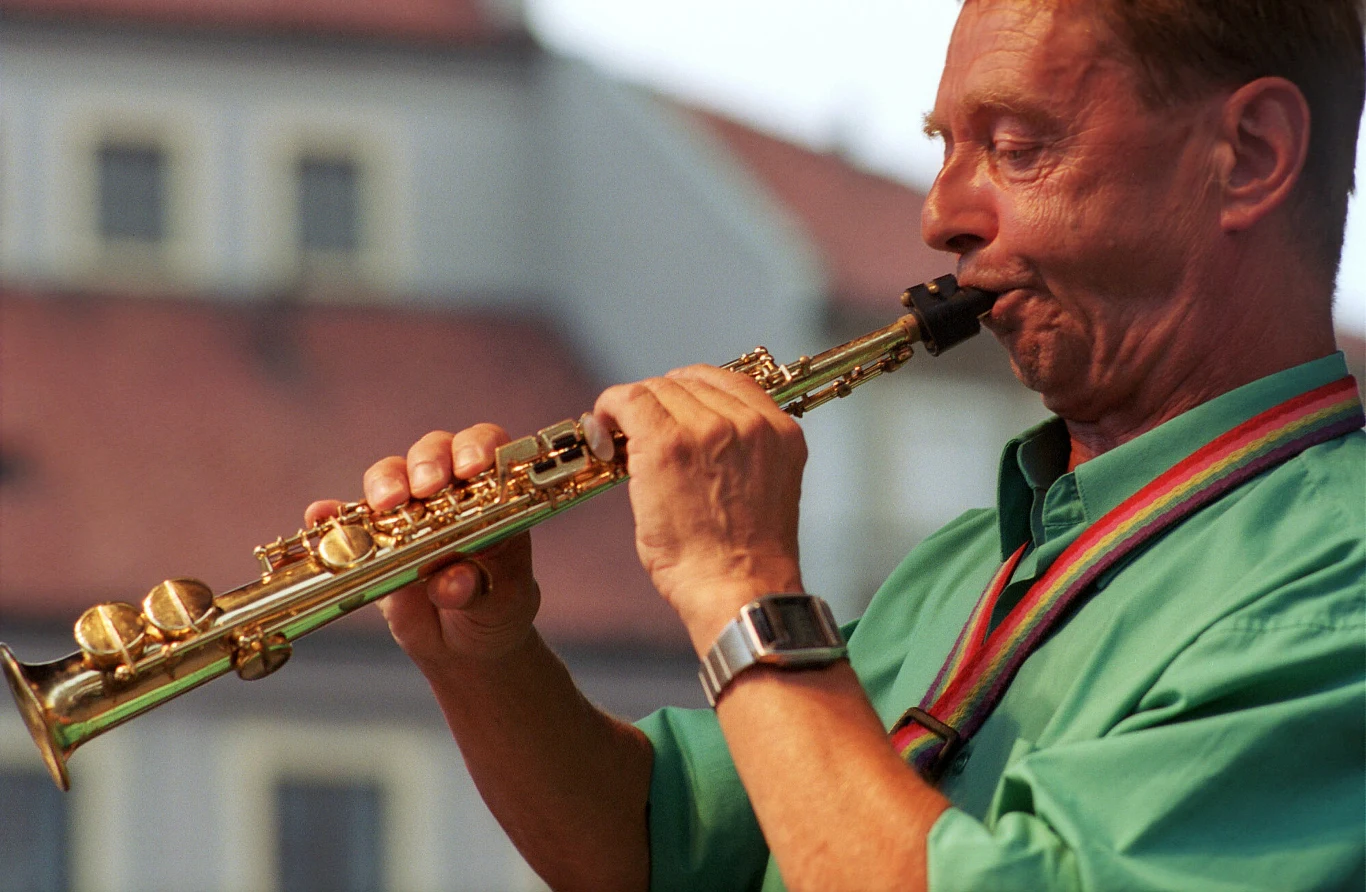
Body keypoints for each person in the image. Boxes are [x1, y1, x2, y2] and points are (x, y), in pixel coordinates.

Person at [307, 0, 1365, 888]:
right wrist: (485, 657)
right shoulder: (966, 563)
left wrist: (739, 586)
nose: (941, 213)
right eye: (943, 148)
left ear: (1250, 155)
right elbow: (664, 848)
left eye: (1014, 146)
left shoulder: (1334, 579)